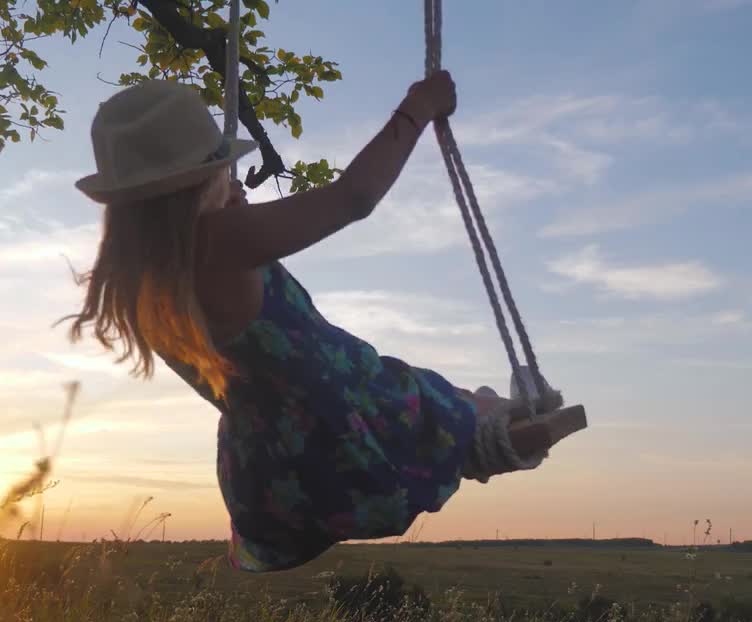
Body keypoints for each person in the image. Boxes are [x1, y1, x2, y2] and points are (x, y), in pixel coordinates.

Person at [68, 74, 562, 571]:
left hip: (278, 476)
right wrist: (418, 107)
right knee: (461, 406)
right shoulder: (224, 239)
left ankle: (486, 435)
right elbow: (354, 196)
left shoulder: (143, 288)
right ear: (202, 178)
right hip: (354, 428)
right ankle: (492, 436)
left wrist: (223, 210)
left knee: (455, 408)